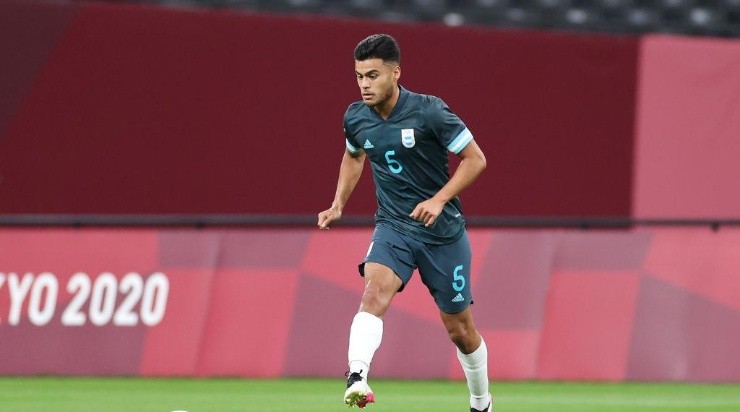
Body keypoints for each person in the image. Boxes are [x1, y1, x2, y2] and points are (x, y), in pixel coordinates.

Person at [317, 34, 491, 412]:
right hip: (393, 226)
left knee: (460, 331)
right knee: (373, 293)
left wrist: (439, 199)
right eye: (359, 76)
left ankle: (482, 403)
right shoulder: (356, 117)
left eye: (373, 75)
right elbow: (353, 156)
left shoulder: (430, 112)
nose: (364, 84)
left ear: (396, 74)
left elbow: (475, 159)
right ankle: (357, 377)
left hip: (443, 235)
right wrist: (338, 204)